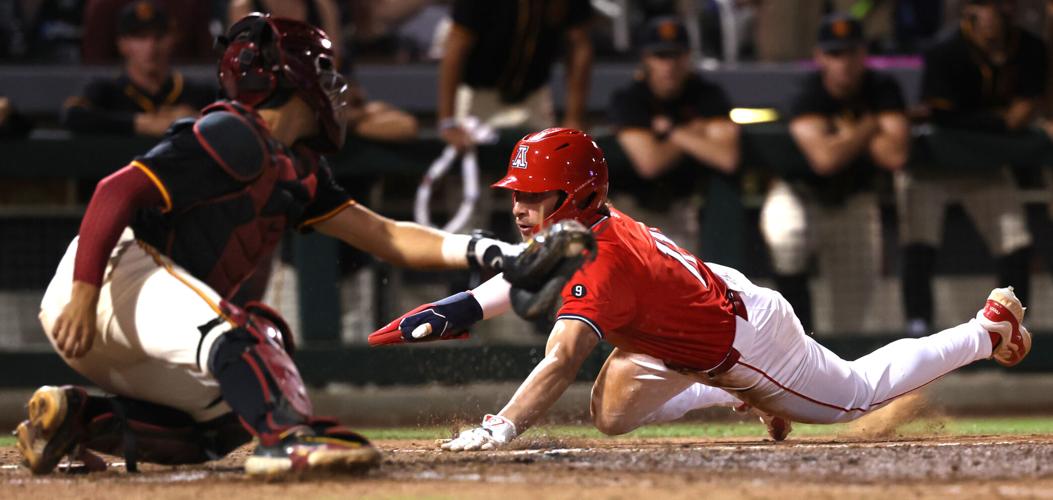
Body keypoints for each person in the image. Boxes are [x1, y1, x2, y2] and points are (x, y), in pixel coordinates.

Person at [20, 14, 520, 477]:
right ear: (286, 75)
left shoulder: (295, 166)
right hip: (107, 281)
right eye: (321, 70)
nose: (331, 86)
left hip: (137, 317)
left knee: (222, 425)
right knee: (249, 336)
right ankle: (287, 440)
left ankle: (76, 419)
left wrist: (492, 253)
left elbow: (387, 236)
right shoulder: (233, 130)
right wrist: (85, 293)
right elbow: (116, 190)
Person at [370, 127, 1030, 452]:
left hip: (745, 337)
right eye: (516, 194)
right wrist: (458, 305)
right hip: (688, 316)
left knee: (851, 398)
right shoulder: (579, 229)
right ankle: (728, 392)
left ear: (571, 195)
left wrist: (499, 428)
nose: (518, 207)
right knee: (610, 417)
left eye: (531, 195)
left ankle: (987, 330)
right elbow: (527, 267)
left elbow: (560, 358)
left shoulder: (601, 263)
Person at [898, 0, 1044, 336]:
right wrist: (1001, 120)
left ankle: (1015, 329)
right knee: (919, 243)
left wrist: (1005, 121)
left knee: (1015, 242)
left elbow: (1024, 112)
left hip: (985, 166)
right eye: (984, 7)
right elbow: (945, 116)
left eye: (999, 6)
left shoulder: (1029, 47)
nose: (995, 14)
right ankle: (917, 328)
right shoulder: (944, 51)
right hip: (932, 167)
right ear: (970, 13)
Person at [760, 14, 909, 333]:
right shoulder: (808, 94)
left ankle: (839, 370)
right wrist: (868, 126)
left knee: (853, 315)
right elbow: (825, 159)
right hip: (798, 193)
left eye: (850, 52)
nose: (843, 63)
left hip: (854, 198)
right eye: (834, 54)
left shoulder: (881, 87)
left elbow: (894, 155)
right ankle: (797, 344)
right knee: (788, 240)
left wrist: (843, 133)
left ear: (863, 54)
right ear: (820, 57)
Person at [608, 16, 740, 255]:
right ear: (646, 59)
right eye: (660, 56)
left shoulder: (705, 94)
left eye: (675, 56)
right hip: (632, 209)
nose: (669, 65)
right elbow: (650, 163)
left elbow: (726, 157)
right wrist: (696, 131)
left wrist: (673, 132)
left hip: (683, 208)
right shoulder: (631, 98)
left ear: (687, 56)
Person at [437, 0, 594, 150]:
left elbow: (579, 44)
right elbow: (456, 45)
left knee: (545, 169)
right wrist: (448, 121)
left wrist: (575, 116)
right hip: (477, 99)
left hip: (534, 99)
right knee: (476, 171)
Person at [62, 0, 215, 137]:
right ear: (122, 44)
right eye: (140, 38)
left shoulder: (196, 93)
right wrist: (142, 123)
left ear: (173, 39)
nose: (151, 47)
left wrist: (195, 120)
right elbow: (73, 116)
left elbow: (232, 119)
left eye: (159, 37)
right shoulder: (106, 90)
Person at [81, 0, 213, 63]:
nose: (150, 46)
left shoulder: (190, 4)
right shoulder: (104, 6)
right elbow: (94, 68)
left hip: (183, 92)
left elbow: (206, 61)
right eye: (141, 37)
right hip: (120, 96)